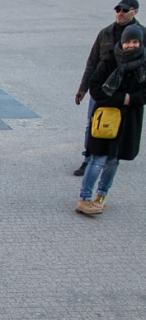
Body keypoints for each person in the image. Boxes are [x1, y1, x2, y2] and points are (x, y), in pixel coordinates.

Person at [76, 25, 146, 215]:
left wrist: (131, 99)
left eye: (135, 42)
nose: (131, 45)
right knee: (97, 159)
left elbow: (143, 94)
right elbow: (96, 88)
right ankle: (84, 198)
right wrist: (123, 99)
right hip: (106, 118)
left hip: (127, 122)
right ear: (121, 42)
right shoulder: (109, 61)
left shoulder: (143, 64)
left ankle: (101, 196)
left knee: (113, 161)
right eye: (127, 42)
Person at [74, 1, 144, 176]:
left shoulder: (142, 34)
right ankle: (88, 157)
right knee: (93, 122)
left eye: (124, 10)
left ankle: (113, 156)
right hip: (103, 88)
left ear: (134, 12)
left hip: (127, 91)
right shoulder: (105, 33)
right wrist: (83, 88)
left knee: (121, 126)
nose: (119, 12)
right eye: (117, 9)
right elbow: (92, 61)